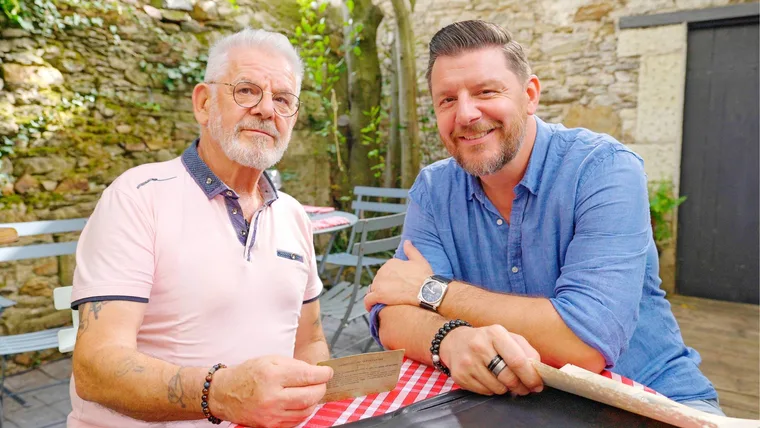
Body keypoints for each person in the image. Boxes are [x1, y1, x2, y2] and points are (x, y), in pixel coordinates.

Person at [364, 20, 724, 416]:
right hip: (508, 405)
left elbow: (585, 344)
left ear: (530, 94)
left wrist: (435, 292)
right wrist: (448, 339)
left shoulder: (602, 169)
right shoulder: (434, 189)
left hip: (652, 403)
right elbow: (390, 315)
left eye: (486, 91)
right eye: (447, 100)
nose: (466, 114)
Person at [69, 28, 335, 427]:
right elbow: (95, 366)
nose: (266, 109)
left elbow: (310, 342)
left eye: (283, 99)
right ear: (204, 102)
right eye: (247, 90)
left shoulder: (293, 215)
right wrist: (222, 395)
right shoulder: (138, 197)